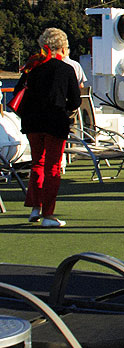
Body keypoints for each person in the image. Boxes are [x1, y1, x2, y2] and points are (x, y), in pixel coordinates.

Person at [15, 28, 82, 228]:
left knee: (37, 164)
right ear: (62, 47)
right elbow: (75, 101)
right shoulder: (65, 69)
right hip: (54, 121)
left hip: (32, 122)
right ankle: (48, 214)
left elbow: (18, 93)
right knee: (52, 167)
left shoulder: (32, 66)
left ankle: (35, 207)